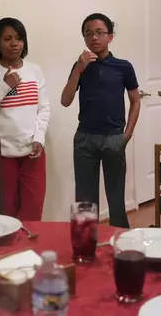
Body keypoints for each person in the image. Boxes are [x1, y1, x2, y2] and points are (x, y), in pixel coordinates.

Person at [60, 13, 141, 228]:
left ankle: (121, 247)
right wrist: (79, 68)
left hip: (114, 138)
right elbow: (65, 100)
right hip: (85, 139)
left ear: (110, 36)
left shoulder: (124, 67)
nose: (94, 38)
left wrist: (127, 135)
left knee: (116, 201)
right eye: (88, 34)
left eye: (99, 33)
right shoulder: (80, 66)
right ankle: (86, 248)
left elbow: (135, 101)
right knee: (85, 203)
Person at [0, 18, 51, 220]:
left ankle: (29, 251)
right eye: (7, 39)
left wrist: (39, 139)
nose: (14, 43)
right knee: (4, 216)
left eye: (18, 38)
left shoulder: (35, 70)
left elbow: (43, 109)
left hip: (33, 153)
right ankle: (8, 253)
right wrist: (4, 86)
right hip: (0, 156)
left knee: (33, 214)